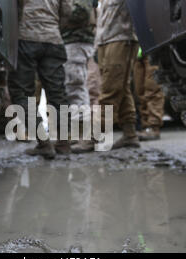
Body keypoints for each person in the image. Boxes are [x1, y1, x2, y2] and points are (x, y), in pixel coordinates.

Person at [72, 0, 140, 153]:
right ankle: (130, 134)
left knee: (110, 91)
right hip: (105, 40)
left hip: (120, 38)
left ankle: (93, 136)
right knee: (122, 89)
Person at [9, 0, 71, 159]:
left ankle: (44, 143)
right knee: (57, 93)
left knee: (21, 92)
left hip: (26, 36)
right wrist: (52, 27)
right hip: (53, 39)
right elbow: (68, 12)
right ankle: (63, 144)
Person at [61, 0, 98, 130]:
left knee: (74, 86)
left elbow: (82, 12)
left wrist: (57, 16)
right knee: (74, 86)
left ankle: (82, 131)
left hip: (76, 42)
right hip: (73, 41)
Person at [134, 48, 165, 141]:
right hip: (137, 51)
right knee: (140, 91)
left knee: (153, 90)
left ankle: (153, 126)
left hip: (152, 47)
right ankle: (146, 126)